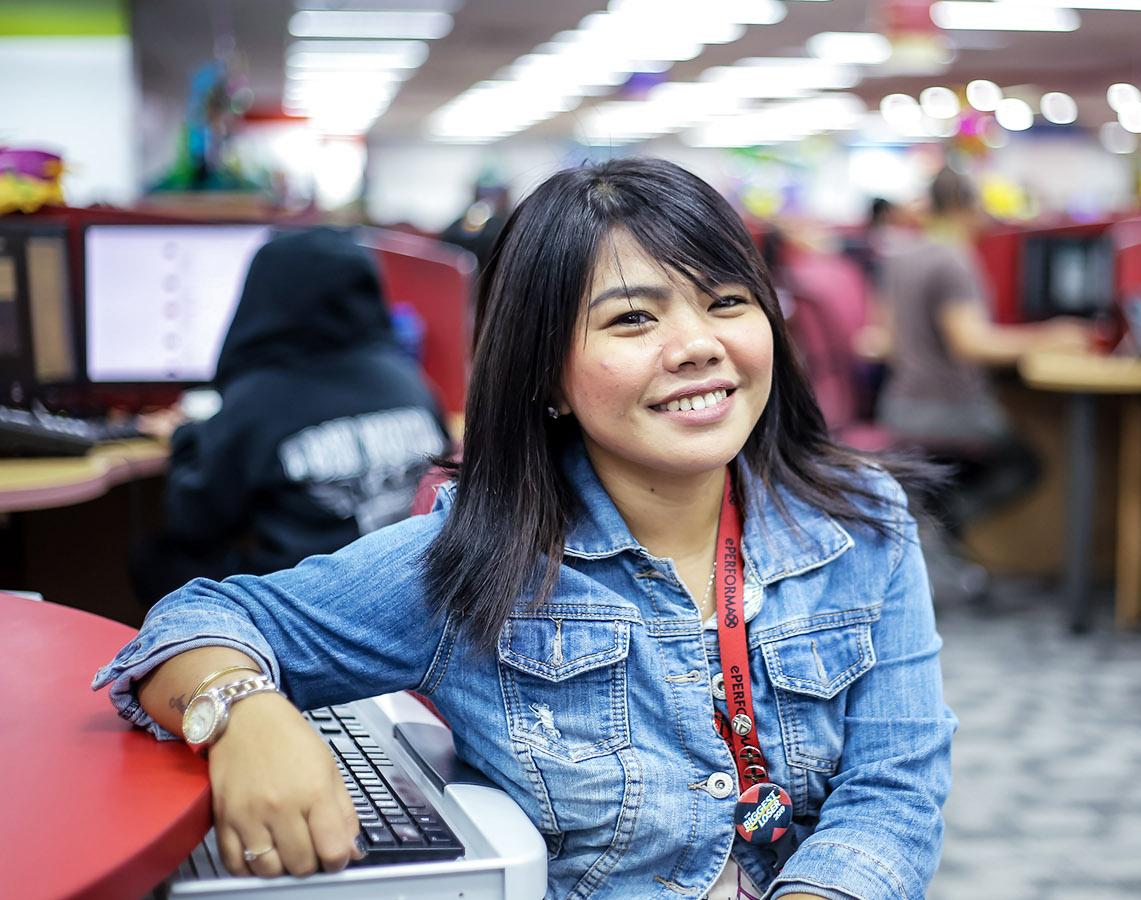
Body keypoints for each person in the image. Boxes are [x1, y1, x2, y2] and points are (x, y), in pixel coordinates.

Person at [95, 158, 958, 899]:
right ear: (547, 374)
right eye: (634, 317)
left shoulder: (862, 523)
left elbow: (893, 793)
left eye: (726, 301)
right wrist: (244, 713)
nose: (697, 344)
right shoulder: (479, 556)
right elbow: (195, 621)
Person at [130, 227, 451, 606]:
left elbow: (195, 518)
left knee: (156, 558)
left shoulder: (258, 399)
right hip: (409, 592)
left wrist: (187, 438)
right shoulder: (410, 382)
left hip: (303, 606)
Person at [875, 167, 1088, 555]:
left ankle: (937, 528)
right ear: (964, 207)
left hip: (900, 405)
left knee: (956, 475)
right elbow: (971, 344)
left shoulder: (901, 257)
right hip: (949, 408)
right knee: (1025, 465)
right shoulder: (953, 260)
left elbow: (885, 340)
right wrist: (1051, 336)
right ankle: (943, 527)